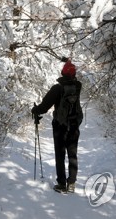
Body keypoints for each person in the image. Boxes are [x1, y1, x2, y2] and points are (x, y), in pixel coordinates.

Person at [31, 59, 82, 193]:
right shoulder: (78, 86)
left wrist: (35, 110)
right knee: (72, 154)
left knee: (60, 154)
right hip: (74, 125)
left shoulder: (57, 88)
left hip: (60, 126)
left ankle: (61, 184)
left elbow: (44, 106)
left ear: (62, 72)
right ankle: (71, 183)